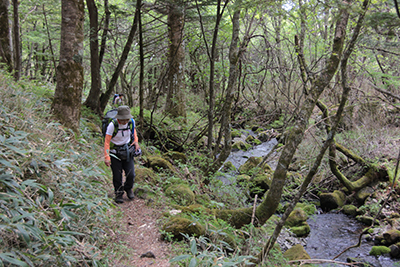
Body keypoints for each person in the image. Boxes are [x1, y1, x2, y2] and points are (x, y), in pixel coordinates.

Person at [104, 105, 140, 203]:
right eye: (123, 119)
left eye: (126, 119)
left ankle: (128, 188)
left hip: (127, 151)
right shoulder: (112, 125)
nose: (125, 121)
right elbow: (107, 142)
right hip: (114, 153)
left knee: (131, 174)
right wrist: (107, 157)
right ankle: (119, 194)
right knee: (117, 175)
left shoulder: (131, 122)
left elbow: (134, 132)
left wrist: (136, 142)